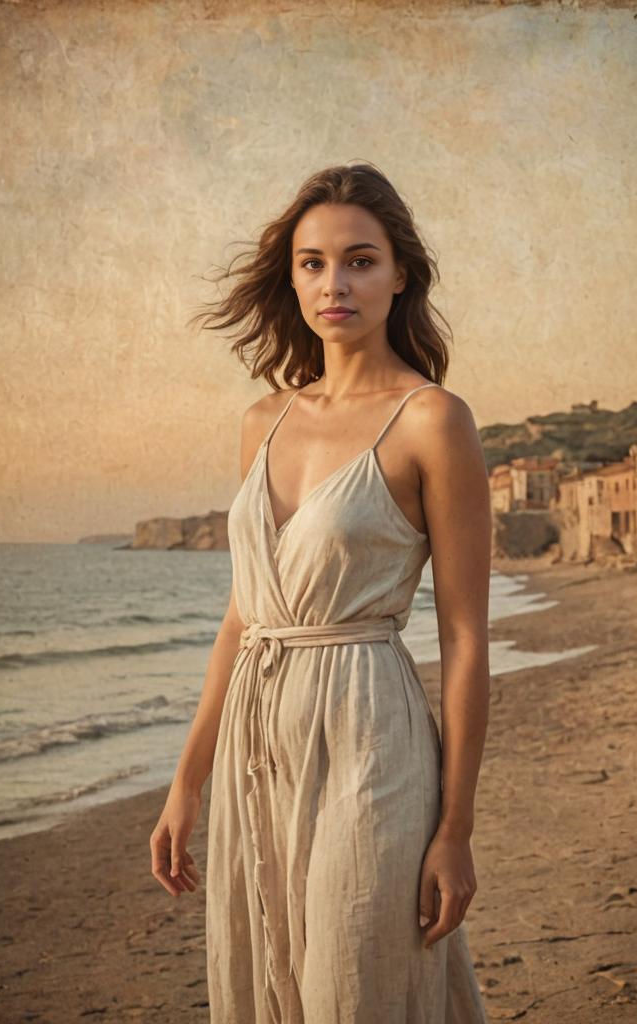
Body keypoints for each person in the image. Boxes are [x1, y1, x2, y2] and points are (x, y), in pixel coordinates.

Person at [150, 161, 491, 1023]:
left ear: (400, 273)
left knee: (358, 982)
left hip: (369, 731)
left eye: (360, 260)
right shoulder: (263, 421)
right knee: (266, 977)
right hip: (257, 743)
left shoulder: (431, 419)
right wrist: (186, 781)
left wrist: (455, 830)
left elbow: (465, 639)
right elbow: (248, 611)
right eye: (312, 262)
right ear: (291, 275)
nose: (333, 283)